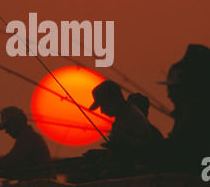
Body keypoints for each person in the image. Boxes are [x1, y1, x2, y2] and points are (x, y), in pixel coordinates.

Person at [157, 44, 210, 173]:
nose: (169, 95)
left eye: (173, 89)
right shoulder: (187, 112)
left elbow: (177, 147)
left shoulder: (196, 110)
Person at [88, 80, 160, 171]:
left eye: (103, 105)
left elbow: (137, 153)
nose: (102, 111)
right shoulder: (122, 116)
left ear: (111, 100)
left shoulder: (132, 118)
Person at [0, 106, 55, 181]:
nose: (6, 131)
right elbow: (17, 172)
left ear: (17, 121)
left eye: (7, 126)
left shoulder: (28, 137)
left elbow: (12, 160)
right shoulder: (30, 136)